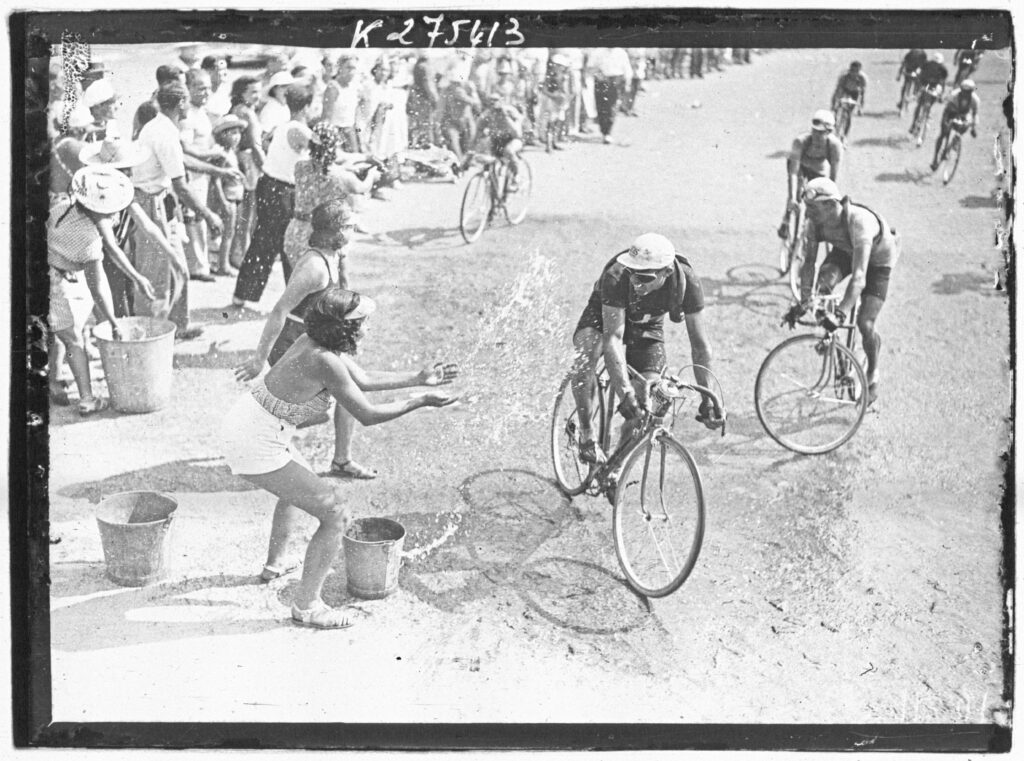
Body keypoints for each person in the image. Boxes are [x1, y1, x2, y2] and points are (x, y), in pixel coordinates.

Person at [221, 286, 460, 628]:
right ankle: (307, 607)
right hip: (255, 440)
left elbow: (360, 378)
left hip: (249, 424)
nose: (368, 328)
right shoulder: (324, 360)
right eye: (363, 322)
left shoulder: (314, 340)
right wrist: (418, 399)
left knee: (296, 489)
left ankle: (274, 565)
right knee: (337, 515)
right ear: (345, 328)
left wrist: (416, 378)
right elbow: (367, 414)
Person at [236, 197, 381, 479]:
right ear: (336, 230)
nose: (355, 229)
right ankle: (260, 430)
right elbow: (279, 311)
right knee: (319, 411)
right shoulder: (313, 268)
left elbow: (344, 295)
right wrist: (258, 359)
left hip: (319, 336)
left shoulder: (336, 254)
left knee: (349, 391)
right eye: (351, 225)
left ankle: (341, 461)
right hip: (294, 341)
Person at [569, 233, 724, 465]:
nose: (636, 282)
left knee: (651, 403)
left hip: (646, 326)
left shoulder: (687, 281)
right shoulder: (617, 275)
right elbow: (613, 338)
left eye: (644, 277)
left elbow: (700, 347)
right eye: (633, 274)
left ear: (667, 272)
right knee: (586, 355)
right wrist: (624, 392)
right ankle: (587, 435)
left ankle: (615, 468)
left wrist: (707, 397)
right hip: (605, 316)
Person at [47, 165, 155, 414]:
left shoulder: (62, 209)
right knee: (73, 340)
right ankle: (87, 399)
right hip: (56, 284)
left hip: (50, 273)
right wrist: (114, 322)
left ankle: (54, 380)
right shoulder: (89, 240)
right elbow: (98, 287)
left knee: (61, 334)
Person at [784, 178, 900, 406]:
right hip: (845, 251)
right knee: (822, 287)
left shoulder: (860, 222)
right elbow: (809, 266)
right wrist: (804, 302)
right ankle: (832, 340)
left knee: (865, 323)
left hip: (878, 260)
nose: (808, 214)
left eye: (813, 209)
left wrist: (840, 313)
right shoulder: (815, 223)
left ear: (830, 205)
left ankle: (873, 374)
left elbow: (859, 277)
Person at [132, 81, 224, 340]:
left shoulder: (159, 127)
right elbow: (181, 186)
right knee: (156, 275)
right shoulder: (164, 133)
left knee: (178, 268)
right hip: (151, 204)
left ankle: (177, 326)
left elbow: (181, 160)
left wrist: (217, 171)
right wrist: (209, 214)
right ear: (181, 103)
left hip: (161, 202)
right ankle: (151, 336)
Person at [232, 84, 313, 308]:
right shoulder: (299, 129)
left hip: (270, 186)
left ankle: (244, 294)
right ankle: (297, 301)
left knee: (264, 243)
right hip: (282, 191)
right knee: (287, 244)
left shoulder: (284, 126)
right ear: (307, 106)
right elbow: (323, 152)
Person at [282, 122, 377, 272]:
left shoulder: (300, 167)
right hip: (320, 240)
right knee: (327, 287)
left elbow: (320, 170)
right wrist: (372, 174)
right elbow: (362, 187)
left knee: (298, 286)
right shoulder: (342, 177)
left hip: (295, 235)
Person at [777, 109, 843, 239]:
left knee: (818, 197)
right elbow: (794, 173)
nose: (816, 136)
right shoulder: (800, 142)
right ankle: (786, 219)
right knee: (797, 191)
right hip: (800, 166)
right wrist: (792, 198)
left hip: (818, 169)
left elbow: (832, 179)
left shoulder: (835, 146)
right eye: (814, 131)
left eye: (821, 133)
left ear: (829, 132)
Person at [227, 75, 266, 269]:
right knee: (247, 212)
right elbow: (254, 145)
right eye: (253, 92)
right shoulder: (245, 112)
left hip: (247, 160)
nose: (258, 96)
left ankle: (241, 253)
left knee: (247, 213)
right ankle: (239, 255)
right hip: (249, 162)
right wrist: (265, 168)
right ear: (242, 94)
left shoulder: (245, 110)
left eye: (259, 91)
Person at [207, 114, 247, 276]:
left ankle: (224, 261)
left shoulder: (232, 152)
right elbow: (215, 179)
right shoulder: (221, 154)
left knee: (230, 231)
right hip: (228, 197)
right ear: (222, 135)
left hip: (235, 196)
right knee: (226, 232)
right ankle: (223, 265)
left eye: (238, 133)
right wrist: (222, 200)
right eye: (231, 133)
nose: (236, 137)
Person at [930, 79, 979, 171]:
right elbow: (947, 110)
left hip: (964, 115)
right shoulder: (954, 95)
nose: (965, 94)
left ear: (971, 92)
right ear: (961, 90)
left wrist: (973, 128)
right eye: (963, 92)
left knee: (967, 123)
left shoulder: (974, 100)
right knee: (943, 134)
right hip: (951, 112)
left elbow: (974, 114)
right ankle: (935, 159)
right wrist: (945, 122)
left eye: (968, 92)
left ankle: (956, 139)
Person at [588, 47, 632, 144]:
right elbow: (590, 67)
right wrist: (598, 73)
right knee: (601, 107)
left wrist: (628, 83)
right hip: (601, 81)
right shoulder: (597, 52)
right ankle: (604, 130)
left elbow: (627, 68)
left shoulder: (621, 52)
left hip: (616, 81)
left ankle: (608, 132)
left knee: (613, 107)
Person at [321, 56, 362, 153]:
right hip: (335, 133)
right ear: (340, 68)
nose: (351, 72)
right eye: (348, 67)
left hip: (350, 134)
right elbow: (326, 117)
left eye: (354, 68)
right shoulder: (333, 87)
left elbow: (355, 114)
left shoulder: (354, 87)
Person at [258, 71, 295, 144]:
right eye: (283, 86)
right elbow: (264, 137)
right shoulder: (270, 109)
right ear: (274, 90)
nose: (287, 89)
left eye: (290, 86)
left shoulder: (284, 106)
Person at [201, 53, 232, 119]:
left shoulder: (225, 90)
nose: (225, 72)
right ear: (208, 71)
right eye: (221, 69)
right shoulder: (201, 92)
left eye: (226, 68)